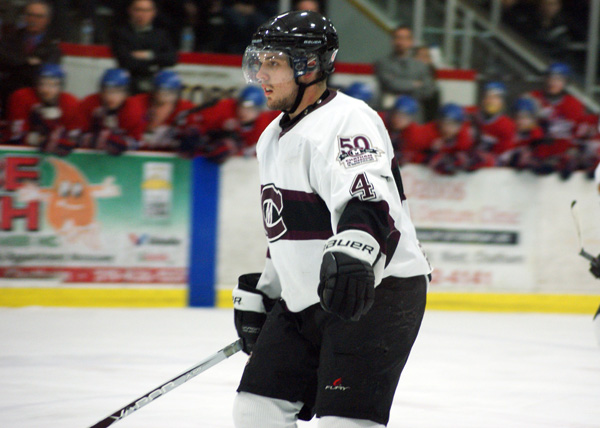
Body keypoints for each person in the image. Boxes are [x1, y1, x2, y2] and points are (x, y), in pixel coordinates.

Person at [232, 10, 431, 428]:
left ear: (308, 66)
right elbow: (286, 227)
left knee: (344, 422)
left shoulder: (347, 119)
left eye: (274, 63)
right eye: (259, 62)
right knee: (256, 410)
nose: (262, 75)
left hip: (375, 293)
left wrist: (356, 252)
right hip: (309, 297)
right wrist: (268, 290)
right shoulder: (271, 137)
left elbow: (369, 202)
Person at [0, 0, 61, 118]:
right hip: (7, 94)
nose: (33, 19)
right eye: (29, 15)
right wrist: (28, 61)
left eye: (38, 16)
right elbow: (2, 59)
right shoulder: (11, 37)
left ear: (47, 20)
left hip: (35, 98)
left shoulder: (52, 45)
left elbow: (45, 72)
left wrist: (16, 63)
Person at [7, 63, 80, 156]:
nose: (46, 90)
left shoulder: (70, 102)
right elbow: (16, 136)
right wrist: (42, 140)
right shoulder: (21, 97)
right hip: (20, 152)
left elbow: (73, 136)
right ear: (36, 84)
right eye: (42, 83)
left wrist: (65, 140)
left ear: (61, 86)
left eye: (53, 85)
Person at [528, 63, 586, 178]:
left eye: (558, 79)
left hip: (562, 151)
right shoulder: (532, 98)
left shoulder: (574, 104)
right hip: (536, 149)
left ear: (566, 82)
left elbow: (578, 135)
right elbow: (521, 129)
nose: (552, 83)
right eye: (550, 78)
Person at [110, 0, 177, 94]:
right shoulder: (120, 33)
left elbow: (171, 58)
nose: (142, 14)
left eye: (147, 10)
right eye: (138, 10)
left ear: (154, 13)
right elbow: (125, 61)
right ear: (130, 11)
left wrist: (149, 55)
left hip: (155, 86)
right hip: (128, 86)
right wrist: (155, 62)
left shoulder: (161, 35)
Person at [198, 85, 279, 159]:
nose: (245, 112)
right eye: (242, 107)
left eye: (251, 109)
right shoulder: (225, 108)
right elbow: (201, 126)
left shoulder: (264, 125)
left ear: (259, 111)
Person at [78, 68, 145, 155]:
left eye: (117, 91)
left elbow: (138, 142)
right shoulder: (90, 103)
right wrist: (95, 139)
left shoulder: (134, 109)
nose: (111, 97)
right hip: (90, 157)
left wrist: (124, 144)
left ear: (126, 93)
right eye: (107, 91)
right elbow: (76, 136)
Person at [373, 25, 436, 114]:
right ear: (392, 41)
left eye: (405, 38)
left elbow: (428, 90)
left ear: (411, 41)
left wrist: (399, 88)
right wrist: (415, 84)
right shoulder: (382, 63)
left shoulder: (421, 65)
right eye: (398, 38)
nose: (401, 42)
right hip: (389, 113)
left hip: (414, 114)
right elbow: (390, 84)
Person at [132, 69, 200, 151]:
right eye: (161, 91)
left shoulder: (187, 108)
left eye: (170, 92)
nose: (164, 95)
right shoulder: (137, 103)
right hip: (137, 152)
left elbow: (196, 134)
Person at [470, 81, 516, 167]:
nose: (490, 101)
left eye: (495, 97)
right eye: (488, 96)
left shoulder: (507, 125)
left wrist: (485, 158)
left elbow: (504, 159)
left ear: (502, 102)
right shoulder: (473, 118)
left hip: (493, 173)